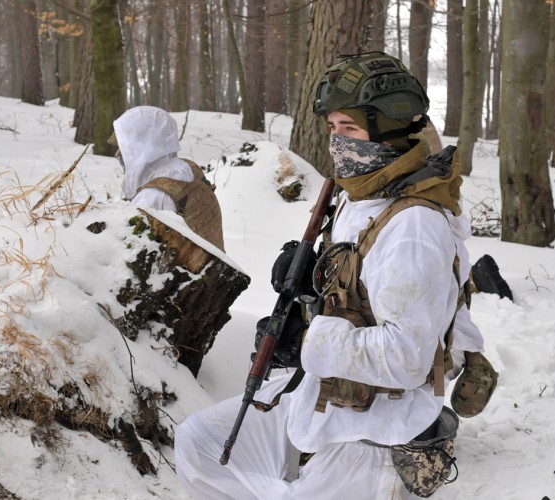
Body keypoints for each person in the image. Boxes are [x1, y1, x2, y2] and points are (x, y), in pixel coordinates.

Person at [174, 52, 496, 499]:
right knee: (201, 443)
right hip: (323, 404)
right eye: (333, 129)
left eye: (350, 129)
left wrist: (310, 341)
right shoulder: (360, 197)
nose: (337, 142)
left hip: (375, 434)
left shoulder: (414, 228)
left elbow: (406, 356)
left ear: (385, 129)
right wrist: (308, 295)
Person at [110, 106, 225, 251]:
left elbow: (131, 254)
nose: (118, 153)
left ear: (143, 144)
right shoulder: (186, 171)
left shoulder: (153, 197)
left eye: (123, 146)